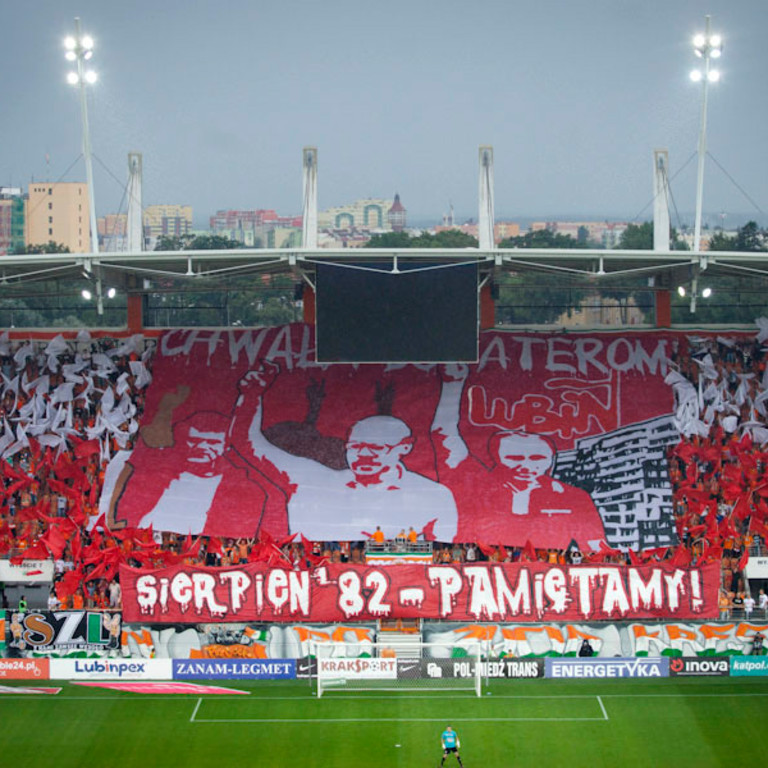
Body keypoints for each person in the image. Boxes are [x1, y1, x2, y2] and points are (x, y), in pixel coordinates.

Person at [231, 362, 458, 542]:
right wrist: (251, 396)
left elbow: (445, 560)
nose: (364, 456)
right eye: (356, 447)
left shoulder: (433, 496)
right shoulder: (313, 481)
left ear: (404, 447)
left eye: (376, 448)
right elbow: (247, 443)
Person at [431, 364, 605, 550]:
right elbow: (444, 436)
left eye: (537, 458)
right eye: (514, 458)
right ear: (496, 457)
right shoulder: (476, 483)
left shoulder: (573, 497)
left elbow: (597, 548)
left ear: (551, 460)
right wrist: (453, 385)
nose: (526, 465)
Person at [105, 408, 287, 538]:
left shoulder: (246, 484)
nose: (202, 448)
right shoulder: (160, 474)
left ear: (225, 445)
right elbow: (130, 470)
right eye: (195, 440)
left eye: (212, 442)